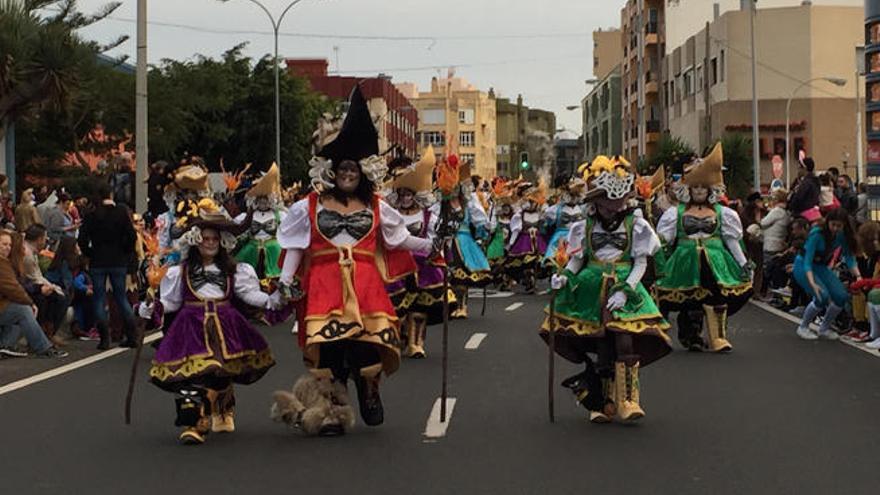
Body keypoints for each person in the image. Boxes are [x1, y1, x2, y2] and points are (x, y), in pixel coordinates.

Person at [276, 85, 433, 433]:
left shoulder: (377, 206)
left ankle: (368, 388)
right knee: (330, 351)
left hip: (364, 283)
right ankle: (331, 413)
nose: (348, 173)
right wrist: (286, 281)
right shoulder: (309, 206)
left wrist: (429, 247)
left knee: (367, 344)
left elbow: (399, 238)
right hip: (323, 281)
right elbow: (296, 244)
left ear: (362, 173)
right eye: (342, 167)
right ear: (333, 170)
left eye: (354, 169)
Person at [544, 155, 670, 423]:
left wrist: (627, 290)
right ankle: (600, 401)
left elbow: (640, 263)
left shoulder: (636, 225)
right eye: (608, 204)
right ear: (597, 203)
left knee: (624, 338)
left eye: (618, 203)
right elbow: (578, 259)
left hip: (624, 285)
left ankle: (629, 400)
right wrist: (565, 276)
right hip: (591, 287)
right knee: (601, 343)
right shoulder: (583, 226)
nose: (614, 208)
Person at [141, 198, 277, 445]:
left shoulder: (236, 270)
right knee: (193, 377)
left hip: (226, 326)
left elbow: (250, 295)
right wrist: (150, 306)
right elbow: (170, 302)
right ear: (195, 240)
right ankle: (196, 423)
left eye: (215, 239)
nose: (210, 243)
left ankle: (223, 405)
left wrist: (273, 299)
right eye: (206, 238)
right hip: (191, 328)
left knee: (219, 373)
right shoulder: (179, 272)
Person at [655, 143, 753, 352]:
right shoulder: (675, 213)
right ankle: (691, 336)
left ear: (710, 190)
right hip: (685, 261)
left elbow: (732, 241)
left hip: (716, 262)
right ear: (688, 189)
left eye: (703, 187)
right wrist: (659, 265)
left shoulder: (722, 213)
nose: (699, 191)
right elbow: (664, 240)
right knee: (690, 299)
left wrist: (744, 263)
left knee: (717, 297)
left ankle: (718, 337)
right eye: (695, 187)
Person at [384, 148, 454, 359]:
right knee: (397, 310)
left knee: (418, 310)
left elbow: (434, 239)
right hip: (397, 267)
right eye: (402, 194)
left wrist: (439, 244)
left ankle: (416, 343)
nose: (405, 198)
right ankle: (398, 340)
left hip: (423, 267)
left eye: (409, 194)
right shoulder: (391, 213)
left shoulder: (428, 215)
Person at [430, 157, 492, 317]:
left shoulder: (468, 202)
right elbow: (432, 219)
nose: (454, 190)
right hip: (445, 241)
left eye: (457, 187)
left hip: (464, 242)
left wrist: (483, 231)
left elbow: (481, 219)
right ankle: (451, 305)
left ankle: (462, 305)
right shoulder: (440, 204)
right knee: (447, 276)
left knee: (461, 278)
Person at [78, 182, 137, 350]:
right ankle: (131, 335)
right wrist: (125, 250)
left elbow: (82, 239)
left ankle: (104, 338)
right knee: (121, 297)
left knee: (99, 298)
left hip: (98, 260)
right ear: (110, 195)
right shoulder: (120, 212)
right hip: (118, 260)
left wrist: (90, 252)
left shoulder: (91, 215)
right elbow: (131, 236)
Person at [793, 207, 862, 340]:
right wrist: (812, 283)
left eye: (839, 225)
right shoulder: (817, 233)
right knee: (821, 296)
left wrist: (858, 276)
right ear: (828, 221)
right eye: (833, 224)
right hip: (803, 266)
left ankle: (824, 328)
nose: (835, 228)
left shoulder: (842, 235)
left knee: (841, 296)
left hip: (820, 266)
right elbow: (807, 261)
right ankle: (803, 326)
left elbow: (849, 257)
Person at [0, 230, 68, 358]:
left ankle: (5, 344)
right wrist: (30, 303)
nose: (7, 248)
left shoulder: (7, 262)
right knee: (23, 310)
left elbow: (19, 285)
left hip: (6, 302)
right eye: (4, 244)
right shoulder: (2, 263)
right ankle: (43, 347)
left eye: (9, 245)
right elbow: (13, 288)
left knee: (20, 310)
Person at [234, 163, 286, 282]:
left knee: (276, 277)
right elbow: (236, 228)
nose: (263, 201)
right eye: (260, 198)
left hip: (274, 250)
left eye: (266, 198)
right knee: (245, 274)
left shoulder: (279, 215)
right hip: (252, 249)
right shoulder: (248, 215)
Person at [21, 224, 67, 344]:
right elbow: (34, 278)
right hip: (27, 287)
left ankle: (48, 332)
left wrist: (51, 286)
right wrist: (51, 287)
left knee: (56, 295)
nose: (46, 241)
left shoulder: (31, 252)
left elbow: (37, 276)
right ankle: (46, 333)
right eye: (45, 237)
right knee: (56, 298)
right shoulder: (27, 254)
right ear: (39, 239)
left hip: (31, 285)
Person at [507, 181, 548, 294]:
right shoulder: (520, 214)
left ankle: (532, 280)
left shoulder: (540, 213)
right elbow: (515, 229)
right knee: (526, 262)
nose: (532, 204)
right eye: (530, 201)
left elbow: (544, 225)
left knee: (537, 262)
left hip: (537, 239)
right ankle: (529, 280)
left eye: (534, 202)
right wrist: (511, 243)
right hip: (525, 240)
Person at [542, 177, 585, 270]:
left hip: (577, 238)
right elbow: (547, 224)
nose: (573, 198)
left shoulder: (582, 209)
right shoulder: (556, 209)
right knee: (556, 261)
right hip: (560, 238)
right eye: (571, 195)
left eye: (575, 195)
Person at [788, 157, 821, 222]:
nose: (798, 170)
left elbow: (798, 198)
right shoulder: (816, 181)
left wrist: (790, 206)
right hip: (812, 213)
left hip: (802, 214)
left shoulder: (806, 183)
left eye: (799, 168)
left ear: (804, 168)